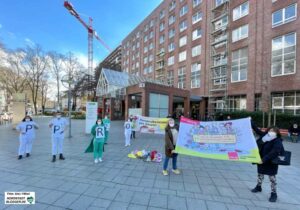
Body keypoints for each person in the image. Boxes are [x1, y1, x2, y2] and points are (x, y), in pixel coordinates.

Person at [251, 121, 284, 202]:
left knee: (272, 178)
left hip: (270, 162)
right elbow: (256, 130)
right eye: (270, 130)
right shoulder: (265, 136)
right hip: (261, 160)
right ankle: (258, 187)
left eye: (273, 131)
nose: (271, 132)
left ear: (277, 132)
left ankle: (274, 193)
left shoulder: (277, 140)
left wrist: (263, 159)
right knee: (260, 174)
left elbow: (274, 152)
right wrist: (250, 121)